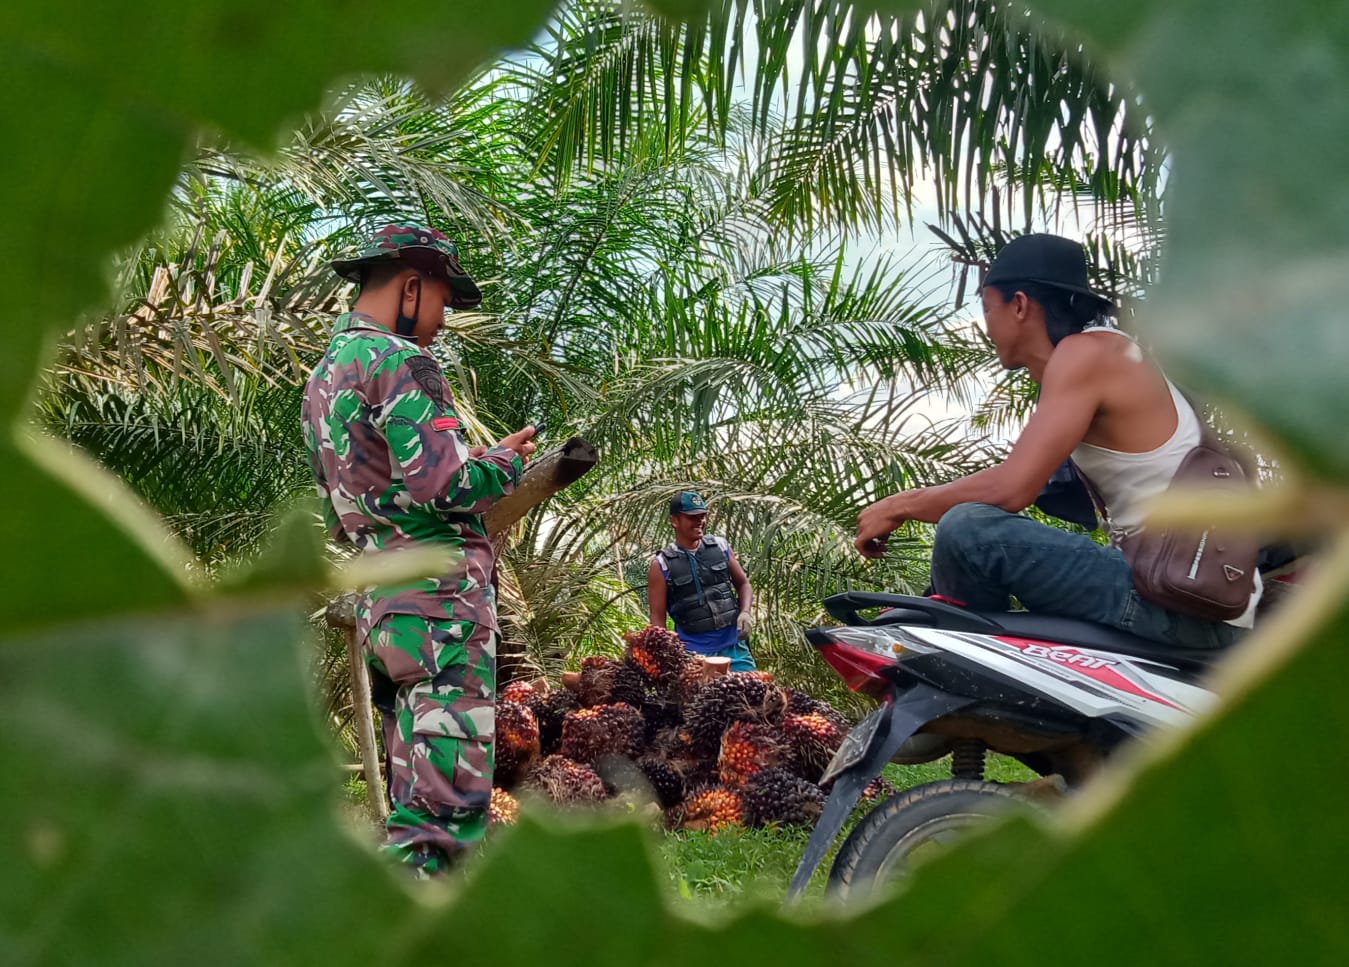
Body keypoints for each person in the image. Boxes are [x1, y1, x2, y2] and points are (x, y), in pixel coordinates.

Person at [854, 233, 1258, 649]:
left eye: (987, 308)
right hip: (1178, 593)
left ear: (1020, 305)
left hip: (1182, 605)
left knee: (969, 530)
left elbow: (1012, 488)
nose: (986, 326)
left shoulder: (1089, 353)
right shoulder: (1103, 358)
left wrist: (898, 505)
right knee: (966, 541)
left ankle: (955, 667)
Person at [301, 223, 537, 876]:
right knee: (441, 822)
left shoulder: (322, 380)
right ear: (411, 285)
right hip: (442, 614)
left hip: (388, 610)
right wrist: (502, 463)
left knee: (414, 803)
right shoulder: (401, 363)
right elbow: (446, 484)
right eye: (440, 302)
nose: (439, 321)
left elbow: (338, 514)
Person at [647, 491, 757, 670]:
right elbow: (657, 617)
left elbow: (743, 583)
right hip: (693, 654)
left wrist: (745, 612)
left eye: (702, 516)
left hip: (733, 647)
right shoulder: (661, 565)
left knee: (752, 694)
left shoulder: (720, 547)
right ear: (675, 521)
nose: (700, 521)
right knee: (701, 698)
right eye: (692, 517)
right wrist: (663, 654)